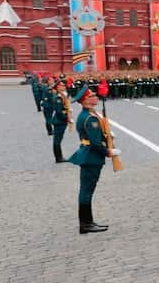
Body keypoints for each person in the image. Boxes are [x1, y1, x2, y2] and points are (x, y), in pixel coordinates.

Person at [67, 84, 116, 233]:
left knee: (86, 190)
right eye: (92, 95)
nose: (95, 97)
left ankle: (87, 222)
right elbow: (95, 142)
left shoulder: (88, 114)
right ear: (85, 100)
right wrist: (108, 151)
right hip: (91, 157)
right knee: (87, 191)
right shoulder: (90, 118)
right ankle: (86, 224)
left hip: (88, 155)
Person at [48, 79, 71, 163]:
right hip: (59, 121)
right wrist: (67, 118)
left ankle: (59, 157)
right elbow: (59, 111)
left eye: (64, 85)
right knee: (57, 140)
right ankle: (58, 158)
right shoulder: (58, 97)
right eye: (61, 85)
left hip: (60, 121)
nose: (64, 87)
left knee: (58, 140)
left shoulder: (62, 96)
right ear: (57, 87)